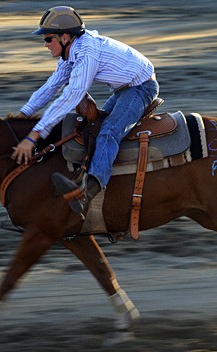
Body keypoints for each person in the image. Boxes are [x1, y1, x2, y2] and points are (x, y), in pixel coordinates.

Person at [11, 6, 159, 214]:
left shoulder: (87, 52)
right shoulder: (70, 53)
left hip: (140, 88)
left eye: (47, 39)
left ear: (65, 37)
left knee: (108, 132)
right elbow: (50, 87)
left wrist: (34, 135)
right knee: (92, 128)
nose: (44, 45)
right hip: (122, 91)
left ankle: (87, 193)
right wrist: (22, 116)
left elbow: (72, 95)